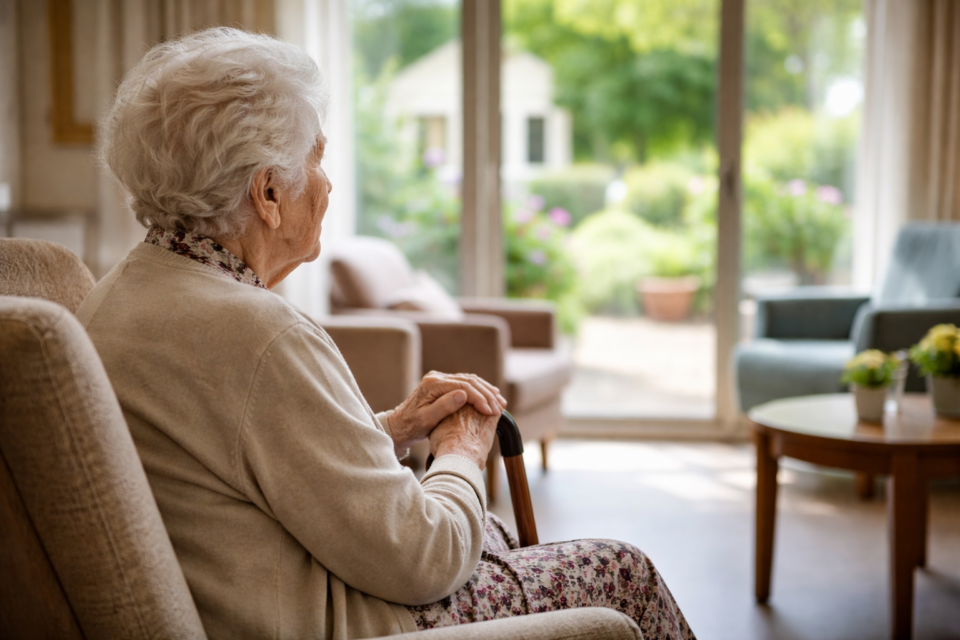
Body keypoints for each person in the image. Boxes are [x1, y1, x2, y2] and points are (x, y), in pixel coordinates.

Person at [79, 27, 695, 640]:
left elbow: (240, 467)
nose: (326, 182)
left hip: (250, 595)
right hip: (338, 620)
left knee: (499, 537)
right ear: (268, 192)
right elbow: (424, 558)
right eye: (315, 158)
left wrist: (393, 427)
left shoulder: (113, 295)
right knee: (622, 571)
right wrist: (461, 451)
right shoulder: (258, 333)